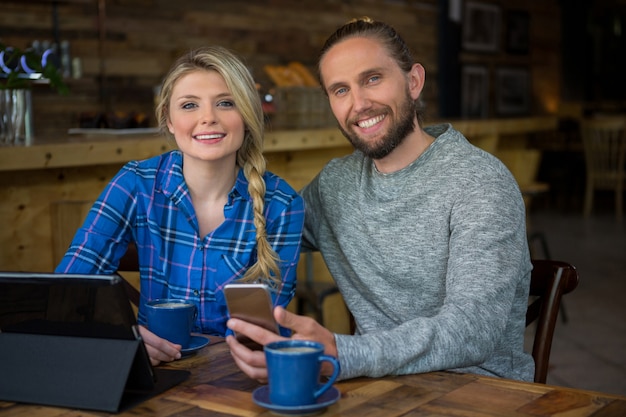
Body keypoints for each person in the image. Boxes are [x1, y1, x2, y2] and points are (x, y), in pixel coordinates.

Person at [226, 17, 534, 382]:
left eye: (372, 79)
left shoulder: (480, 182)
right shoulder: (336, 184)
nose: (360, 104)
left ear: (413, 81)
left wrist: (345, 352)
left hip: (479, 394)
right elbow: (255, 232)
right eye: (340, 90)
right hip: (375, 389)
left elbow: (473, 330)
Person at [56, 46, 305, 365]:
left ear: (247, 115)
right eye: (189, 105)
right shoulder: (135, 183)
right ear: (169, 121)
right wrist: (123, 338)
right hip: (155, 368)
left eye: (225, 103)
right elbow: (69, 290)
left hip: (244, 371)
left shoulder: (282, 204)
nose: (208, 118)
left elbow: (260, 329)